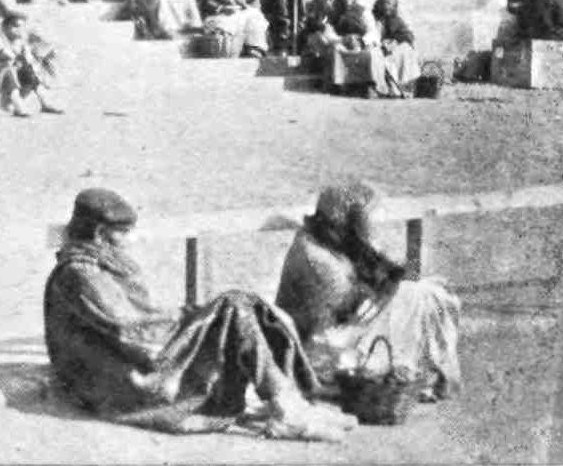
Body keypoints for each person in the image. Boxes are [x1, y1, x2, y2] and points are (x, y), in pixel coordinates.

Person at [43, 187, 356, 440]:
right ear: (100, 234)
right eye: (123, 233)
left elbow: (139, 323)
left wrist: (196, 317)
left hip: (128, 359)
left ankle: (291, 400)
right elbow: (131, 333)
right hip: (118, 380)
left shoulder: (102, 263)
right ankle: (286, 409)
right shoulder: (81, 274)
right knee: (234, 309)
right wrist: (194, 318)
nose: (130, 240)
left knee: (240, 305)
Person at [275, 180, 460, 402]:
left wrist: (388, 280)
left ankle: (421, 372)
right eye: (365, 219)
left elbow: (380, 276)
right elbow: (343, 312)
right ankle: (404, 373)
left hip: (341, 328)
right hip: (317, 345)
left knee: (427, 292)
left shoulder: (334, 239)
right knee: (413, 296)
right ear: (349, 220)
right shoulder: (317, 257)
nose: (370, 226)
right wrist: (385, 290)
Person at [0, 9, 62, 116]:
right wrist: (1, 59)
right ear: (5, 27)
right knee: (7, 73)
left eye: (20, 27)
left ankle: (44, 103)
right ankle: (17, 107)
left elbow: (28, 59)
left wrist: (26, 61)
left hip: (11, 77)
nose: (18, 30)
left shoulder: (20, 41)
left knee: (29, 71)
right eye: (15, 26)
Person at [370, 0, 421, 98]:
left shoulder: (396, 20)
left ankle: (401, 86)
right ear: (380, 4)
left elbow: (408, 36)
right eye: (386, 3)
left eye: (391, 4)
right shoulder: (371, 18)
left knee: (406, 48)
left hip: (389, 53)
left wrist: (395, 41)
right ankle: (384, 88)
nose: (388, 7)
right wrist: (379, 43)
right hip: (374, 51)